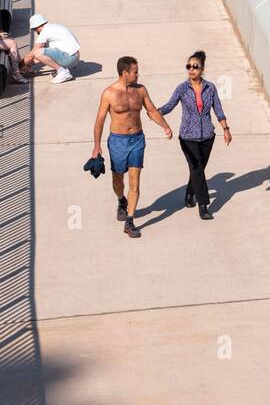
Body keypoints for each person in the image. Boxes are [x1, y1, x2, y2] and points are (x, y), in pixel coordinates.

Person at [92, 56, 173, 239]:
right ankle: (121, 200)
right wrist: (96, 146)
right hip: (117, 141)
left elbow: (151, 111)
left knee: (135, 181)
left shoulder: (141, 90)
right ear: (125, 73)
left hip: (137, 139)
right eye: (135, 72)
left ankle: (130, 221)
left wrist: (165, 126)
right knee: (118, 180)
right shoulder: (109, 94)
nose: (138, 75)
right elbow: (99, 121)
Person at [160, 51, 230, 219]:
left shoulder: (210, 87)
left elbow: (218, 109)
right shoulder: (182, 88)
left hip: (207, 135)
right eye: (188, 66)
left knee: (198, 169)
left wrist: (225, 129)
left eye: (195, 67)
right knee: (197, 168)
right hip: (187, 137)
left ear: (202, 69)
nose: (191, 69)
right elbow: (170, 105)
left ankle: (190, 191)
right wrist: (155, 112)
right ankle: (204, 205)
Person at [22, 13, 81, 84]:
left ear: (37, 27)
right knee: (43, 51)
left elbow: (32, 54)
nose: (35, 31)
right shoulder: (53, 27)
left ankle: (62, 72)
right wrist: (28, 65)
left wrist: (20, 65)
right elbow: (43, 57)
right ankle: (61, 69)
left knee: (37, 52)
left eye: (34, 29)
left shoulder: (44, 32)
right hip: (74, 57)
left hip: (69, 59)